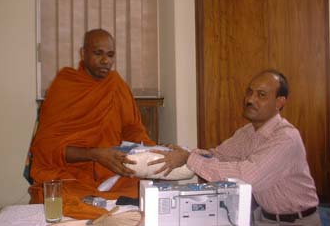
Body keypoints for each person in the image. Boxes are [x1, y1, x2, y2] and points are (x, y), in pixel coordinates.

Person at [149, 69, 321, 225]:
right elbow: (217, 155)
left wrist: (189, 159)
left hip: (298, 220)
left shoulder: (286, 138)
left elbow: (246, 176)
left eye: (261, 95)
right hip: (265, 217)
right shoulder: (248, 132)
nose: (250, 99)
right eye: (249, 92)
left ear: (279, 103)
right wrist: (184, 153)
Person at [29, 28, 155, 219]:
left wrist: (155, 153)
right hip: (71, 174)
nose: (106, 61)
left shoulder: (116, 84)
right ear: (83, 53)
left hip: (111, 172)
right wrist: (95, 154)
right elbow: (46, 147)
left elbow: (133, 129)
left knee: (147, 191)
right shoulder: (65, 85)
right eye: (98, 53)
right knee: (60, 197)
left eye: (110, 55)